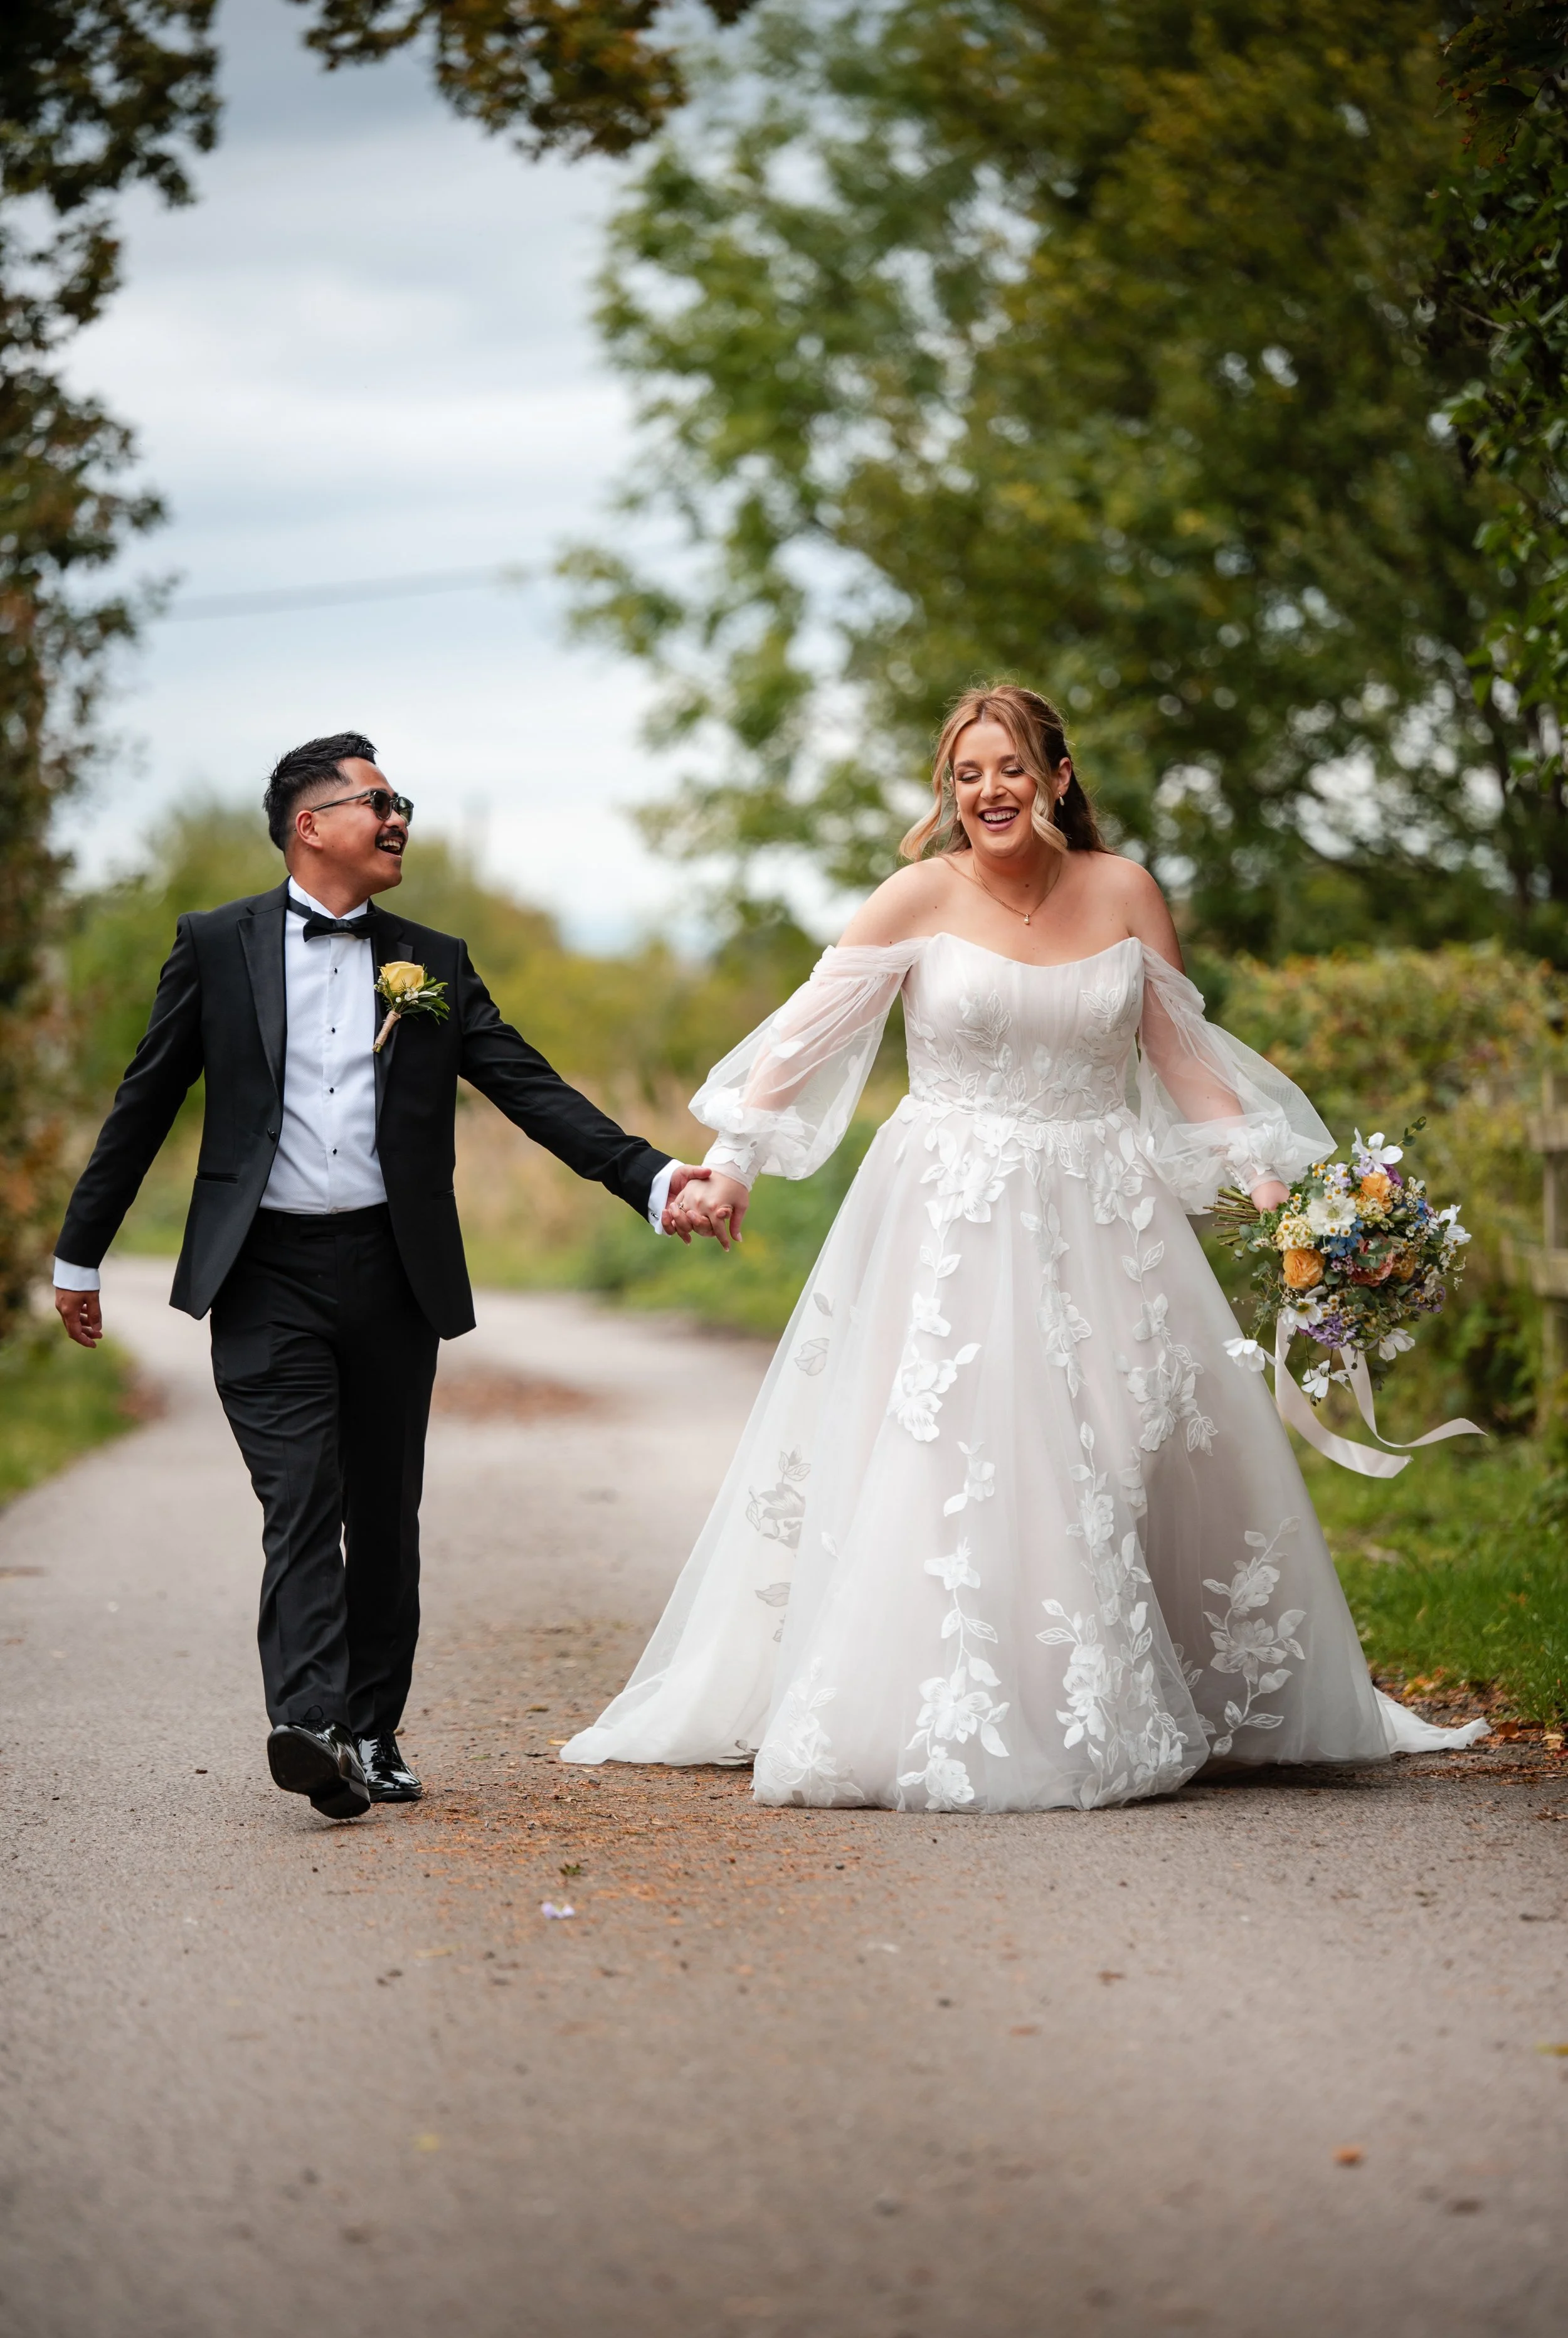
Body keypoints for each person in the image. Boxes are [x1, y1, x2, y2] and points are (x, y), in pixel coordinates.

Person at [563, 683, 1486, 1809]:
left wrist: (1279, 1193)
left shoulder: (1124, 891)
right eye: (966, 774)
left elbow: (1182, 1062)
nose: (988, 791)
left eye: (1009, 768)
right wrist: (733, 1164)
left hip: (1105, 1206)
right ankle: (965, 1699)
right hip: (949, 1209)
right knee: (963, 1448)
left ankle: (1117, 1682)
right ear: (949, 792)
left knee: (1111, 1441)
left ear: (1056, 775)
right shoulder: (915, 897)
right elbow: (798, 1044)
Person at [53, 733, 720, 1821]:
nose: (400, 816)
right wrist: (81, 1252)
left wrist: (652, 1179)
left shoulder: (434, 961)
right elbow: (145, 1101)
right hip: (262, 1273)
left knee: (383, 1507)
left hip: (391, 1269)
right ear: (309, 824)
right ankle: (312, 1726)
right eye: (378, 799)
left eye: (401, 799)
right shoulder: (215, 945)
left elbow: (530, 1087)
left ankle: (372, 1724)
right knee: (301, 1497)